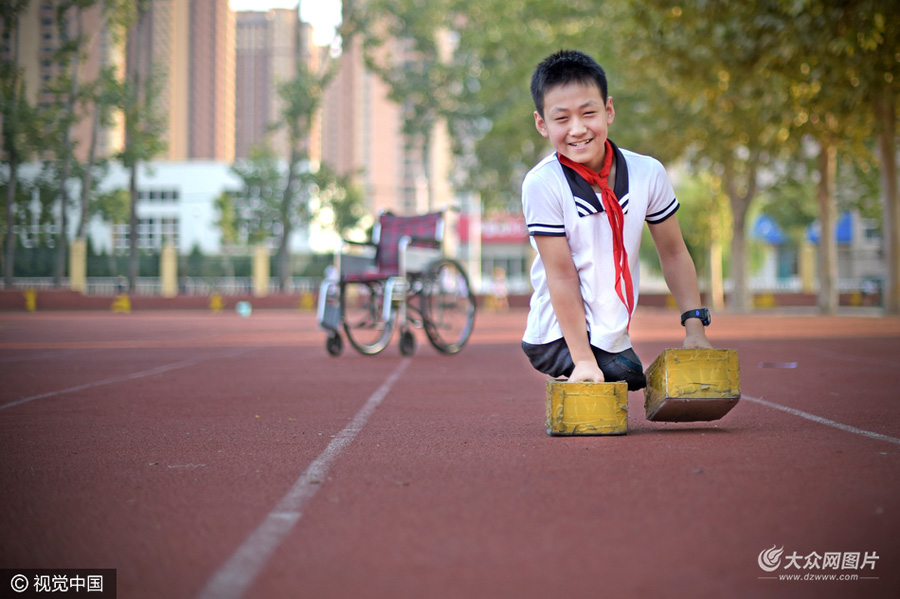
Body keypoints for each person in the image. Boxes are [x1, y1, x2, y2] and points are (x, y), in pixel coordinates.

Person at [521, 49, 712, 388]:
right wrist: (582, 360)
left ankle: (603, 358)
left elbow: (674, 252)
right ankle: (584, 359)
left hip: (609, 330)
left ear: (608, 110)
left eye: (589, 113)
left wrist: (694, 328)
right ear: (542, 124)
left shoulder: (647, 173)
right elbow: (561, 275)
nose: (577, 129)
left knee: (629, 373)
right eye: (561, 119)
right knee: (629, 376)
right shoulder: (543, 183)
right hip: (555, 333)